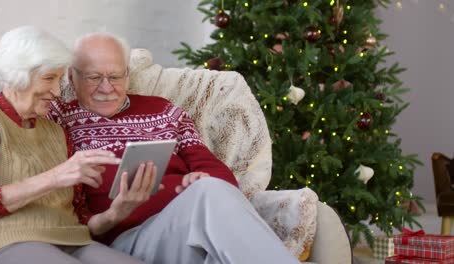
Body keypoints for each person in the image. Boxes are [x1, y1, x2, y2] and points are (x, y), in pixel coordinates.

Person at [48, 32, 301, 264]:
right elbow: (64, 213)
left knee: (211, 197)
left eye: (114, 76)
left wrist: (199, 178)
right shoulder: (58, 119)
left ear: (127, 74)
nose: (106, 87)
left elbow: (217, 174)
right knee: (210, 198)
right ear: (72, 76)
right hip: (125, 238)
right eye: (94, 77)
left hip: (188, 227)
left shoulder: (163, 110)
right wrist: (115, 214)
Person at [0, 26, 147, 264]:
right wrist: (54, 177)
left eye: (59, 79)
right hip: (9, 241)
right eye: (49, 78)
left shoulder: (57, 132)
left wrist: (115, 213)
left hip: (74, 241)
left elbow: (82, 219)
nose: (57, 91)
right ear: (16, 76)